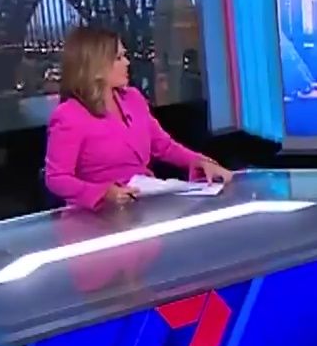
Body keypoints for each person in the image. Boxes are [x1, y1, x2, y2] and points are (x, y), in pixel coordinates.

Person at [44, 25, 233, 210]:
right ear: (96, 67)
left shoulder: (133, 99)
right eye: (118, 58)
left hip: (142, 205)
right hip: (95, 216)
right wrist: (103, 193)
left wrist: (200, 162)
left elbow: (164, 147)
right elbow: (57, 178)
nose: (127, 63)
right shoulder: (68, 115)